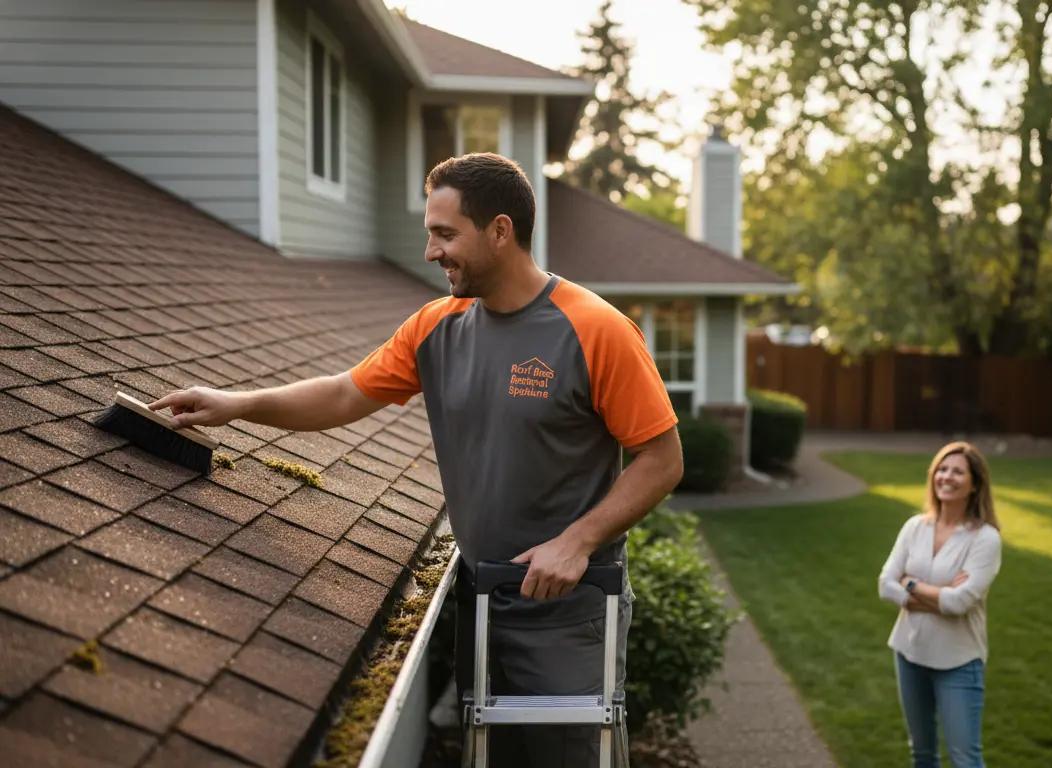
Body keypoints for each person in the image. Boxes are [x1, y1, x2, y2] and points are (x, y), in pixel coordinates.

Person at [149, 153, 684, 766]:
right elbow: (346, 392)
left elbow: (662, 460)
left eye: (445, 234)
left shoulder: (596, 330)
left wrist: (578, 540)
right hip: (481, 599)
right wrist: (238, 404)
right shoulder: (438, 326)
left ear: (500, 231)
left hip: (566, 614)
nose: (431, 252)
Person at [877, 441, 1002, 768]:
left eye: (958, 472)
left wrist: (911, 584)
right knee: (922, 754)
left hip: (959, 661)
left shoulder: (985, 538)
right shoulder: (914, 527)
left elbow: (960, 602)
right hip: (909, 653)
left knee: (965, 759)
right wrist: (938, 593)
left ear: (975, 484)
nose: (947, 477)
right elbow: (884, 584)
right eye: (942, 469)